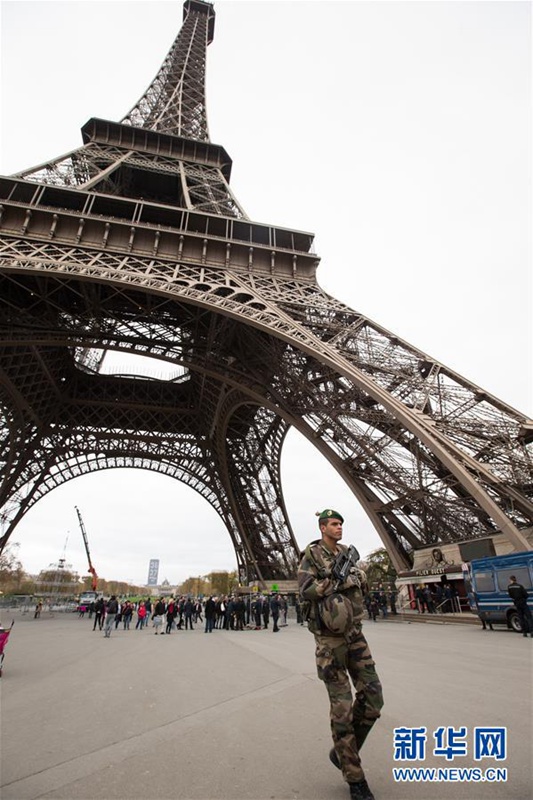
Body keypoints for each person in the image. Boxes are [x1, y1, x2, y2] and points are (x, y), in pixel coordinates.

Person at [298, 509, 383, 800]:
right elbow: (307, 590)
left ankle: (343, 753)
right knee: (343, 709)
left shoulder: (349, 554)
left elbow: (363, 586)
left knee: (374, 700)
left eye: (341, 524)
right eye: (334, 524)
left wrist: (355, 575)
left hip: (355, 636)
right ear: (323, 527)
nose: (340, 528)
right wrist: (339, 581)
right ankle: (355, 777)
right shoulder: (311, 556)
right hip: (329, 642)